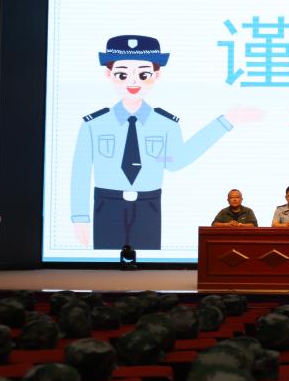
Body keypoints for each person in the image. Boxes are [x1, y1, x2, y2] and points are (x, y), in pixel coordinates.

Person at [71, 35, 237, 250]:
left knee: (148, 258)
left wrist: (223, 124)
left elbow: (177, 161)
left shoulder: (166, 123)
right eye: (122, 74)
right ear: (108, 74)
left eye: (143, 74)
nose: (133, 82)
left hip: (148, 204)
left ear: (156, 75)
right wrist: (80, 217)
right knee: (105, 261)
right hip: (107, 203)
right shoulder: (94, 124)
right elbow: (81, 172)